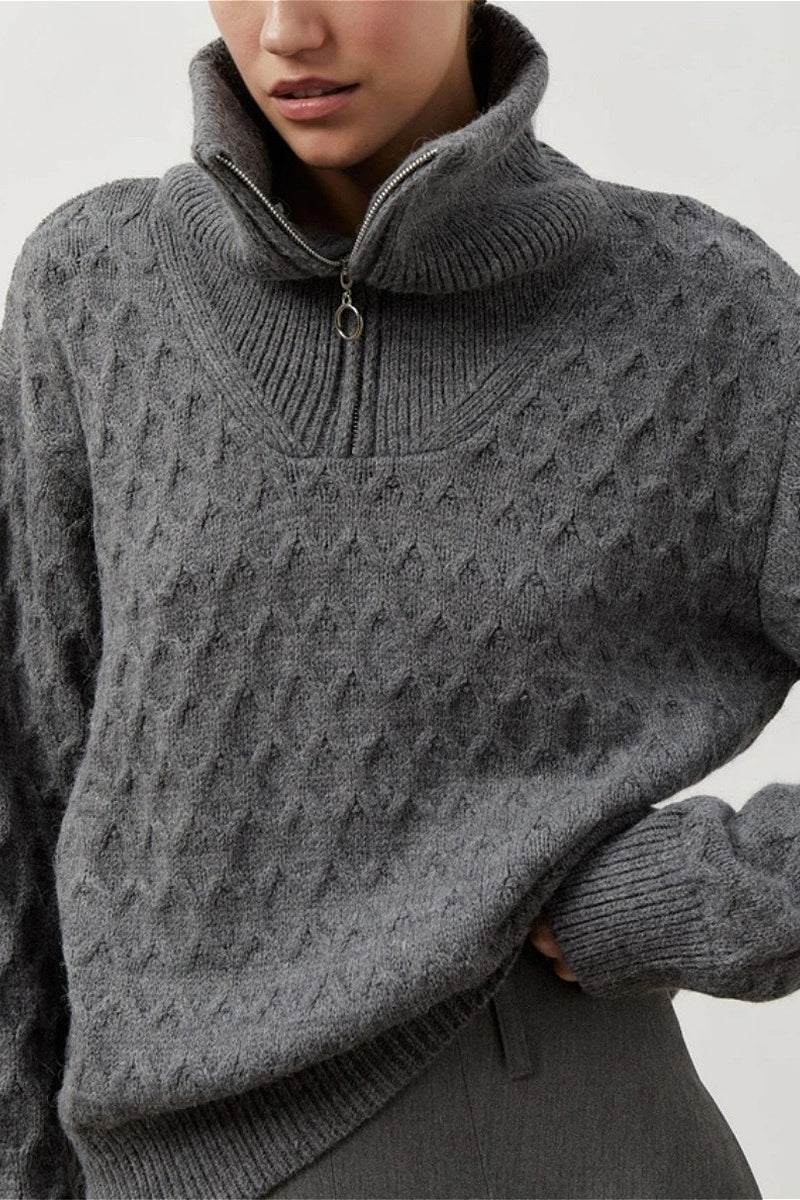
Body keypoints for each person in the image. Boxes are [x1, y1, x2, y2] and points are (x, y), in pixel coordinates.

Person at [1, 0, 798, 1196]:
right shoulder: (94, 290)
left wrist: (707, 893)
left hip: (548, 1133)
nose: (286, 30)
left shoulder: (701, 313)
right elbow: (25, 779)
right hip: (148, 1151)